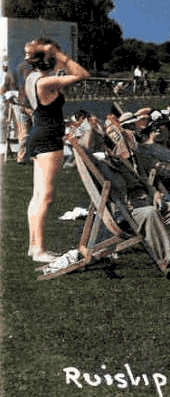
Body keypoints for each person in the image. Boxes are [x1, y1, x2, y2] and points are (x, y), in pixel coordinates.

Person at [23, 38, 91, 262]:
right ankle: (40, 250)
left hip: (39, 136)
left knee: (37, 196)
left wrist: (53, 56)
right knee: (46, 197)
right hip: (48, 140)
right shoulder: (44, 82)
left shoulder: (33, 78)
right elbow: (83, 75)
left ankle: (34, 247)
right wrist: (61, 56)